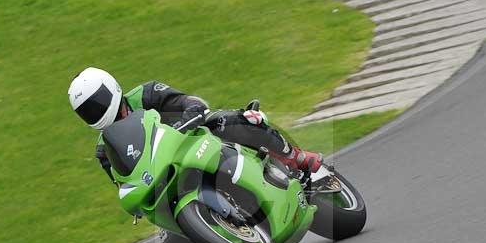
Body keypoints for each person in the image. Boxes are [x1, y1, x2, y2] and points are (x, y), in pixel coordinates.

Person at [67, 67, 323, 185]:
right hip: (167, 174)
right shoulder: (104, 150)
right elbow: (123, 182)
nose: (95, 112)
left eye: (96, 103)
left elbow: (189, 101)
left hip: (196, 138)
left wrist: (188, 117)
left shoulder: (145, 94)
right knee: (170, 239)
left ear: (111, 90)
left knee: (226, 120)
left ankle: (296, 157)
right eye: (87, 111)